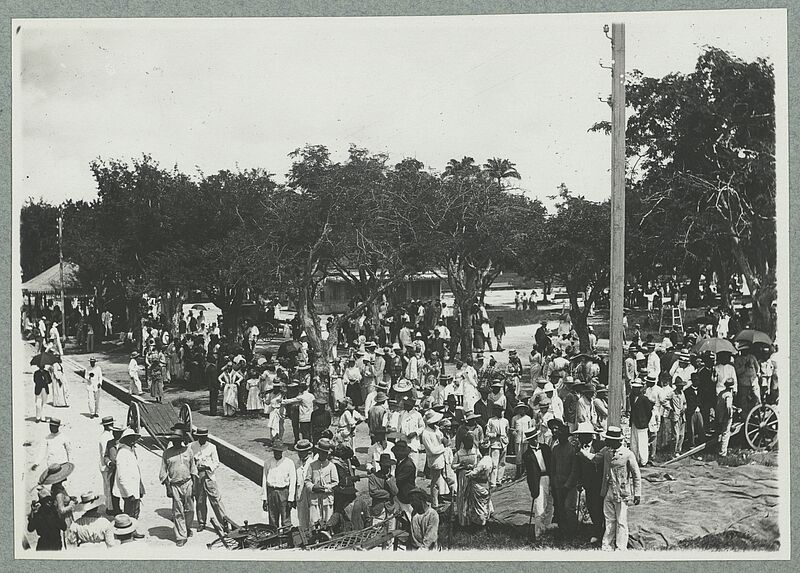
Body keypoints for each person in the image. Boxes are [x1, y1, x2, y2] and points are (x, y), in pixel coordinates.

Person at [579, 426, 642, 552]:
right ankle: (607, 545)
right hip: (607, 491)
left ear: (617, 441)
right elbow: (595, 459)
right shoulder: (606, 451)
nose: (607, 442)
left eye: (610, 440)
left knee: (621, 521)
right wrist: (582, 452)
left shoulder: (627, 454)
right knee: (609, 519)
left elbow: (636, 475)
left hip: (622, 492)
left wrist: (637, 493)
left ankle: (621, 547)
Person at [159, 428, 198, 546]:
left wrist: (195, 485)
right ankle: (181, 536)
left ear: (182, 440)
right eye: (174, 440)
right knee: (178, 511)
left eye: (178, 440)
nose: (176, 442)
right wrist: (168, 487)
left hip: (188, 483)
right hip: (175, 485)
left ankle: (186, 528)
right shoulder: (167, 453)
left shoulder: (188, 451)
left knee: (190, 510)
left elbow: (193, 468)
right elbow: (163, 472)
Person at [567, 422, 604, 543]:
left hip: (600, 482)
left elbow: (596, 461)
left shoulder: (600, 446)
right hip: (588, 484)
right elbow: (577, 467)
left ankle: (606, 530)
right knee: (592, 507)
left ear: (591, 436)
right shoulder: (578, 449)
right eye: (580, 435)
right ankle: (597, 531)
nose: (581, 438)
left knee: (603, 508)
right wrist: (579, 482)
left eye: (584, 435)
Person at [190, 428, 231, 531]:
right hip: (197, 476)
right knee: (200, 500)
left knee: (216, 500)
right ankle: (201, 522)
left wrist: (207, 467)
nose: (203, 439)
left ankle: (224, 524)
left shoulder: (212, 447)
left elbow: (216, 462)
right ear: (198, 437)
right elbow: (189, 460)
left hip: (209, 476)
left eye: (205, 437)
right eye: (201, 437)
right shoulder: (191, 446)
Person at [112, 429, 145, 539]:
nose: (133, 442)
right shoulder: (122, 453)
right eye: (131, 439)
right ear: (126, 440)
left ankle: (133, 530)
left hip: (134, 487)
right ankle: (126, 533)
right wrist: (128, 492)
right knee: (129, 512)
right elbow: (121, 476)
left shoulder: (130, 452)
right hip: (129, 489)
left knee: (136, 510)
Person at [550, 420, 578, 538]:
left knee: (569, 508)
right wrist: (554, 483)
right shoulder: (555, 449)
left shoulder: (572, 449)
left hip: (569, 485)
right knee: (559, 507)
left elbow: (574, 470)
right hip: (558, 484)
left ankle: (572, 532)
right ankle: (562, 531)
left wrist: (568, 484)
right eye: (559, 435)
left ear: (566, 437)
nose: (560, 437)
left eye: (563, 436)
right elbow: (553, 468)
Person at [262, 442, 296, 528]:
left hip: (284, 492)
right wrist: (264, 498)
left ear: (282, 452)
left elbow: (293, 481)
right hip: (271, 492)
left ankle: (287, 539)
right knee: (273, 519)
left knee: (286, 520)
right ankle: (275, 540)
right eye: (275, 451)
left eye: (279, 451)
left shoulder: (289, 463)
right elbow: (264, 480)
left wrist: (290, 499)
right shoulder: (268, 463)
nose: (277, 453)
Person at [306, 438, 339, 526]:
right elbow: (307, 481)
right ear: (318, 452)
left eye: (325, 453)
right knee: (314, 523)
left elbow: (336, 483)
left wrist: (325, 489)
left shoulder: (331, 466)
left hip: (327, 500)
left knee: (327, 523)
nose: (323, 455)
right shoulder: (312, 465)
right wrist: (313, 487)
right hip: (315, 499)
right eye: (321, 452)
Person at [462, 438, 494, 526]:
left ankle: (480, 523)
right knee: (485, 503)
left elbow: (474, 473)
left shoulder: (482, 462)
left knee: (479, 506)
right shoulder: (490, 460)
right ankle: (485, 518)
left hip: (479, 485)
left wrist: (468, 473)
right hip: (486, 484)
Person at [27, 486, 66, 551]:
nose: (49, 502)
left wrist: (59, 513)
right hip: (45, 544)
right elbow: (30, 529)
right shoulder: (38, 514)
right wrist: (33, 513)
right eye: (47, 500)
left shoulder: (54, 512)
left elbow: (64, 527)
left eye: (50, 500)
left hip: (56, 544)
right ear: (42, 502)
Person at [628, 382, 653, 466]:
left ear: (640, 389)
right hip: (634, 422)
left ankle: (643, 461)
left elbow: (649, 412)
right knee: (633, 442)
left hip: (642, 424)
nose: (635, 390)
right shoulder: (631, 397)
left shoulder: (644, 399)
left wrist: (645, 421)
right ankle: (635, 459)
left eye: (637, 388)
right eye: (634, 388)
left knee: (642, 443)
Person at [393, 438, 417, 522]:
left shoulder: (408, 465)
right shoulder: (400, 462)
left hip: (406, 493)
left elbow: (398, 479)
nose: (395, 455)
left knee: (410, 515)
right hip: (402, 493)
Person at [485, 404, 509, 487]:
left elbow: (507, 431)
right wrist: (495, 435)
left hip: (504, 443)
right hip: (495, 444)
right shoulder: (491, 420)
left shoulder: (505, 421)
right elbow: (487, 433)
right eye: (497, 411)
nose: (499, 412)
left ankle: (499, 480)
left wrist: (505, 439)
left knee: (502, 463)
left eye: (500, 411)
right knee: (494, 464)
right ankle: (493, 482)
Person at [98, 416, 115, 515]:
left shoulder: (103, 436)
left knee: (107, 487)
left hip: (103, 465)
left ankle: (109, 506)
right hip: (106, 466)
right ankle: (110, 508)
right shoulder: (107, 437)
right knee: (109, 487)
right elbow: (105, 453)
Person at [716, 378, 737, 457]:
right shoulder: (729, 395)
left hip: (719, 416)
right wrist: (729, 416)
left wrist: (734, 408)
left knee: (720, 433)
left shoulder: (721, 393)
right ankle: (722, 453)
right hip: (726, 417)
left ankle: (718, 449)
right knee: (726, 434)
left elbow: (720, 404)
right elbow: (728, 406)